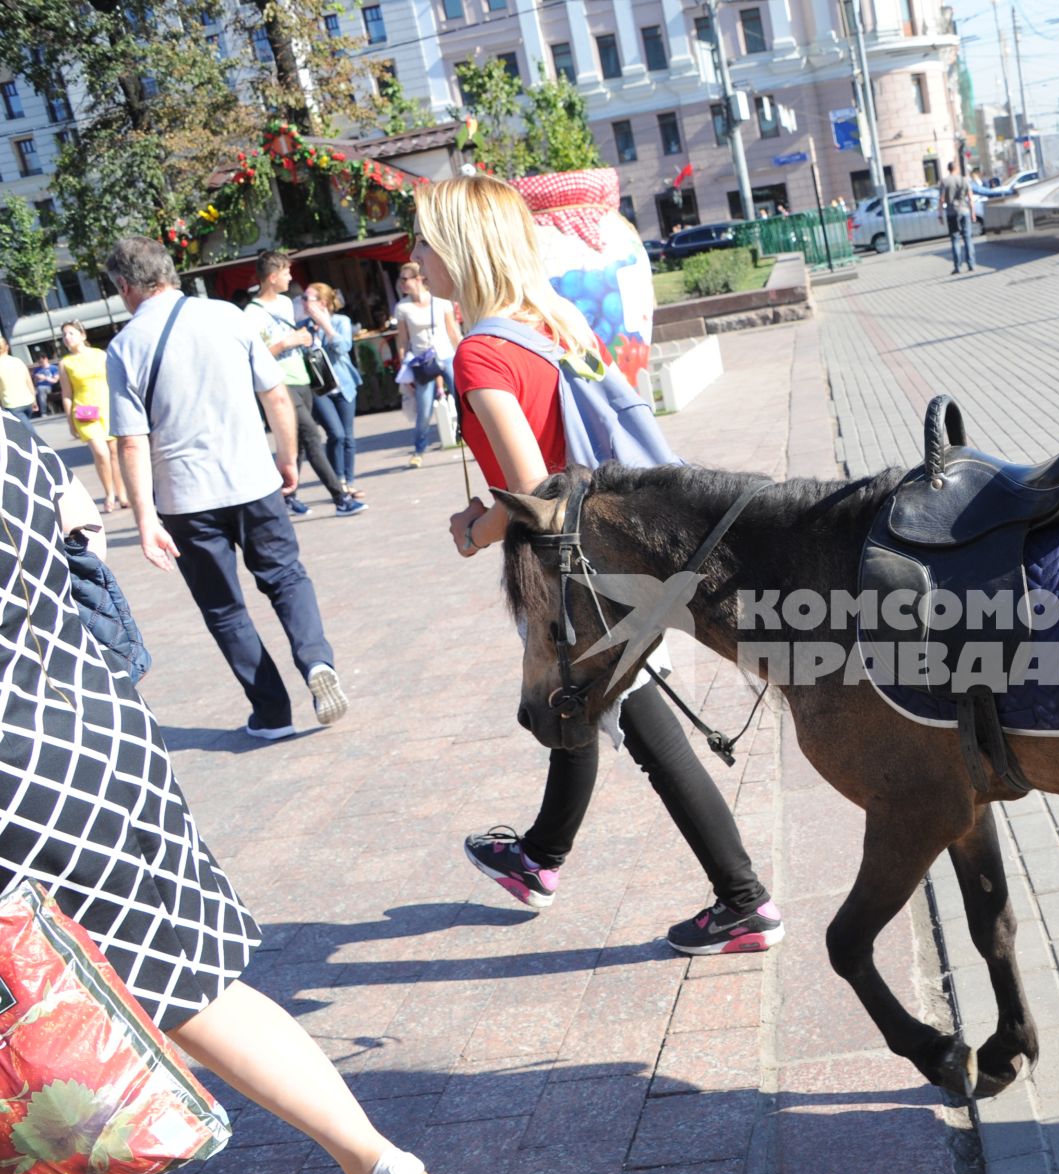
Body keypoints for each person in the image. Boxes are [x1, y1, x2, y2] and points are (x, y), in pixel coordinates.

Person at [0, 403, 425, 1174]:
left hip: (3, 777)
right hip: (97, 729)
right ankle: (372, 1158)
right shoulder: (3, 430)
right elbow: (78, 540)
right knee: (185, 978)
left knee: (26, 1005)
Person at [415, 174, 784, 954]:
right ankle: (540, 858)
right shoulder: (549, 321)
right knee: (586, 711)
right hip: (610, 549)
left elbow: (535, 491)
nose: (413, 260)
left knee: (639, 729)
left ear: (459, 250)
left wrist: (473, 531)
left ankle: (742, 899)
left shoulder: (481, 353)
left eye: (423, 242)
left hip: (568, 573)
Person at [104, 235, 351, 740]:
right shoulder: (228, 316)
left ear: (125, 286)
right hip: (252, 478)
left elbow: (131, 443)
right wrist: (286, 459)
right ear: (169, 272)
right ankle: (316, 662)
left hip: (185, 497)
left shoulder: (124, 346)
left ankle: (272, 714)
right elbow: (276, 396)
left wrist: (145, 521)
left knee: (223, 607)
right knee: (286, 577)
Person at [243, 252, 364, 518]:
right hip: (279, 384)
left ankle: (288, 496)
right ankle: (340, 497)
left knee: (294, 441)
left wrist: (303, 338)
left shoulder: (286, 304)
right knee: (312, 435)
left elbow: (300, 335)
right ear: (272, 277)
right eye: (286, 272)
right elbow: (252, 356)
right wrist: (284, 344)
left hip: (303, 378)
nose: (290, 277)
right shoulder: (252, 314)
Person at [392, 261, 462, 468]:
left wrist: (462, 354)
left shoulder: (440, 301)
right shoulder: (402, 307)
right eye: (401, 279)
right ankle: (419, 449)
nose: (402, 283)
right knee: (423, 410)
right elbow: (403, 338)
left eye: (406, 278)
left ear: (419, 278)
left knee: (462, 399)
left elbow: (452, 331)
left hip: (446, 355)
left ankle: (470, 438)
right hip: (422, 360)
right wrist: (403, 361)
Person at [57, 321, 129, 514]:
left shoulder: (100, 355)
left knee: (114, 454)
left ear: (82, 335)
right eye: (64, 335)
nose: (67, 338)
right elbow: (66, 393)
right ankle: (109, 493)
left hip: (107, 408)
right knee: (101, 453)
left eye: (71, 333)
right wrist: (69, 420)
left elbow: (114, 381)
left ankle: (121, 493)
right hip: (84, 413)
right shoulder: (65, 363)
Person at [304, 283, 363, 498]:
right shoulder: (303, 326)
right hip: (320, 389)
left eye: (308, 298)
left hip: (343, 385)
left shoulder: (341, 322)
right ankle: (336, 481)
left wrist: (327, 327)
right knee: (335, 434)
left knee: (347, 436)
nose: (304, 303)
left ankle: (348, 481)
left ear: (323, 303)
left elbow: (343, 347)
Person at [937, 161, 976, 274]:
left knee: (955, 239)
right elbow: (970, 198)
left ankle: (957, 267)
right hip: (964, 211)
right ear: (956, 168)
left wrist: (940, 214)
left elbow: (942, 199)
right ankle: (971, 264)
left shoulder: (944, 181)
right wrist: (973, 212)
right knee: (967, 238)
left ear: (948, 169)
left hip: (951, 212)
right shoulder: (964, 180)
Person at [0, 339, 37, 421]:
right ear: (7, 347)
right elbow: (29, 382)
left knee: (27, 431)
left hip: (12, 404)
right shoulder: (18, 361)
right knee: (24, 429)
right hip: (28, 400)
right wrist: (34, 399)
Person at [30, 348, 60, 416]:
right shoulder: (36, 370)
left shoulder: (53, 368)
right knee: (33, 391)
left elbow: (55, 380)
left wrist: (44, 378)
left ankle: (44, 412)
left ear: (46, 359)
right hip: (37, 388)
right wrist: (36, 379)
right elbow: (34, 383)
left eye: (41, 361)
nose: (40, 363)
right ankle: (33, 413)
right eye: (39, 362)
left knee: (40, 389)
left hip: (49, 387)